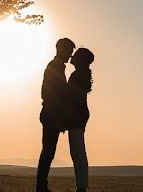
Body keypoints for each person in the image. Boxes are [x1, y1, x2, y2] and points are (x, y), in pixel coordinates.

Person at [36, 37, 76, 192]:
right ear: (61, 49)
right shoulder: (55, 67)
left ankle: (41, 186)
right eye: (69, 52)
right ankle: (40, 187)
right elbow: (47, 93)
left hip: (51, 115)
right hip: (51, 116)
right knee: (48, 152)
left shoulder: (56, 66)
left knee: (48, 152)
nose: (70, 56)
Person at [66, 47, 94, 192]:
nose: (72, 56)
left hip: (77, 115)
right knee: (78, 152)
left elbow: (71, 97)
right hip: (79, 115)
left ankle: (82, 187)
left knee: (77, 152)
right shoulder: (80, 75)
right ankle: (82, 185)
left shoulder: (77, 75)